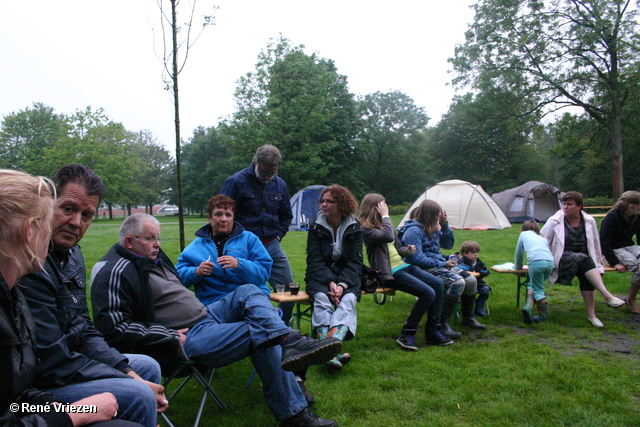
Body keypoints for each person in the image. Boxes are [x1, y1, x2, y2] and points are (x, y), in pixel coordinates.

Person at [92, 207, 341, 427]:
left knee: (249, 291)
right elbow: (112, 329)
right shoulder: (116, 270)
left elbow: (261, 272)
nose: (157, 244)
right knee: (260, 335)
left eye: (158, 238)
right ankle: (294, 414)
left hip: (207, 314)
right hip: (186, 337)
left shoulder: (151, 259)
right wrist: (166, 334)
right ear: (128, 241)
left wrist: (239, 266)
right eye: (150, 238)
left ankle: (287, 341)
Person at [18, 164, 166, 427]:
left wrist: (126, 370)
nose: (76, 222)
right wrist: (128, 379)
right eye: (68, 209)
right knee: (139, 392)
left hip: (67, 362)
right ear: (48, 203)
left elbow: (83, 328)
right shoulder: (31, 262)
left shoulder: (72, 255)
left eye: (86, 215)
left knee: (145, 366)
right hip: (36, 390)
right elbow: (51, 361)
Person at [358, 194, 452, 350]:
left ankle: (432, 332)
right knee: (428, 293)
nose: (386, 206)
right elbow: (387, 237)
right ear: (375, 207)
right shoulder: (365, 229)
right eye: (383, 204)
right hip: (388, 272)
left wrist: (407, 251)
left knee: (438, 284)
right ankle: (407, 334)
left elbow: (398, 247)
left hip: (403, 266)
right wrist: (386, 216)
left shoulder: (385, 225)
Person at [221, 144, 296, 324]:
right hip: (243, 247)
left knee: (289, 289)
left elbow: (286, 215)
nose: (268, 177)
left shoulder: (280, 185)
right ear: (255, 162)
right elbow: (223, 213)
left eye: (272, 174)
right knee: (244, 291)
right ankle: (243, 331)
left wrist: (278, 236)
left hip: (271, 244)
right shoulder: (235, 182)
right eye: (264, 173)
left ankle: (284, 329)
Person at [398, 199, 484, 340]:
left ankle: (468, 317)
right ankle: (441, 323)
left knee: (471, 280)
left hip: (438, 264)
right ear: (429, 215)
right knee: (458, 283)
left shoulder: (431, 228)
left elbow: (448, 244)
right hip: (422, 268)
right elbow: (415, 259)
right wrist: (443, 264)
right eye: (437, 215)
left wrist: (444, 225)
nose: (439, 217)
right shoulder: (413, 231)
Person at [540, 191, 625, 327]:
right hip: (562, 257)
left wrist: (598, 264)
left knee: (587, 268)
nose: (565, 207)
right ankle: (607, 296)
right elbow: (543, 240)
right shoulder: (554, 220)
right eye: (564, 204)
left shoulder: (589, 220)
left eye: (570, 204)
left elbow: (596, 244)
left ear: (579, 206)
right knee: (584, 259)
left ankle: (592, 315)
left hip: (584, 261)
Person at [305, 185, 363, 370]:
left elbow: (355, 262)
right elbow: (314, 260)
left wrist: (342, 285)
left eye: (330, 201)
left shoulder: (355, 227)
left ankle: (326, 349)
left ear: (342, 204)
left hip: (348, 275)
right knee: (321, 298)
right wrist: (330, 282)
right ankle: (331, 351)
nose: (324, 204)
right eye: (322, 201)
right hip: (320, 275)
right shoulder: (315, 227)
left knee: (348, 300)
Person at [599, 191, 640, 314]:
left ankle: (630, 298)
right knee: (637, 267)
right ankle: (631, 298)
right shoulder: (611, 218)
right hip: (614, 250)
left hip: (629, 247)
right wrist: (615, 263)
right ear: (632, 207)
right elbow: (604, 243)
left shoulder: (637, 217)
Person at [514, 220, 555, 324]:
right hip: (550, 263)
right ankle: (529, 308)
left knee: (538, 289)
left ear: (523, 228)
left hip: (536, 262)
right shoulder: (542, 238)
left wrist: (517, 267)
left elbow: (519, 253)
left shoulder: (523, 234)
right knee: (534, 285)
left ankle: (541, 316)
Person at [456, 241, 491, 317]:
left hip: (478, 282)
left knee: (485, 289)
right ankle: (467, 309)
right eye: (473, 252)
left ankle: (479, 309)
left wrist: (479, 273)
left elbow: (486, 271)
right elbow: (460, 269)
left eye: (477, 252)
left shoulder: (478, 262)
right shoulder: (461, 262)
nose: (476, 255)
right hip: (465, 284)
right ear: (465, 254)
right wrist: (473, 271)